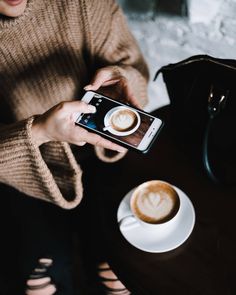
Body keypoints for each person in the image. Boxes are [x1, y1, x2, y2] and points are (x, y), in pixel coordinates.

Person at [0, 0, 149, 294]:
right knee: (38, 281)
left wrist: (123, 81)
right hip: (21, 169)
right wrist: (40, 131)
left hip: (101, 152)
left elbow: (134, 70)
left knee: (120, 273)